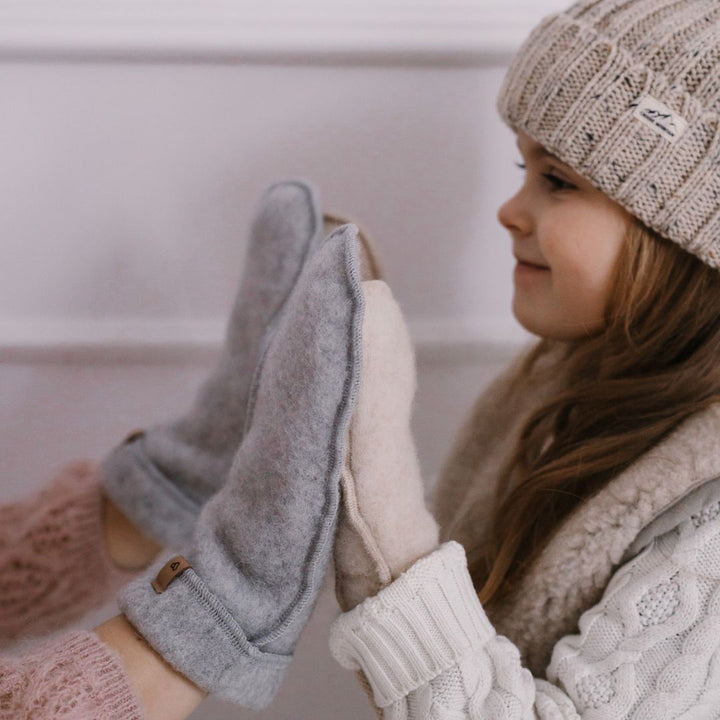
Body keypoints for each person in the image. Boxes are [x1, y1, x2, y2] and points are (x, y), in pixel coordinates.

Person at [3, 0, 720, 717]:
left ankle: (222, 574)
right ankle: (201, 479)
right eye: (522, 166)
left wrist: (387, 524)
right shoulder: (569, 389)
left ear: (688, 237)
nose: (509, 208)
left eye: (558, 179)